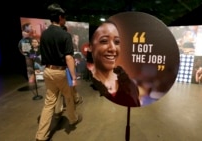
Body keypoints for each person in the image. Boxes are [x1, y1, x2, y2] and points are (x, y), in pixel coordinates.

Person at [35, 3, 81, 141]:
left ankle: (41, 136)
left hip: (48, 71)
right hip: (61, 72)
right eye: (64, 17)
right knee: (68, 97)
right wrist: (73, 76)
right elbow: (68, 57)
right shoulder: (65, 35)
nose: (65, 19)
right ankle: (72, 120)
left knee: (49, 103)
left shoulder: (44, 35)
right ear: (60, 17)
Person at [88, 21, 140, 107]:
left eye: (117, 42)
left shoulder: (130, 85)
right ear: (90, 47)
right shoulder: (86, 87)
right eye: (104, 41)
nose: (113, 48)